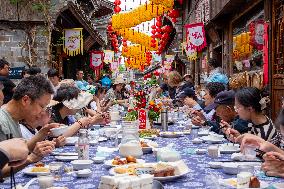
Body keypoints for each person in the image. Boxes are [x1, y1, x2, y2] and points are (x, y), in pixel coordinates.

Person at [0, 75, 55, 141]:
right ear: (25, 100)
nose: (43, 112)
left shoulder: (15, 119)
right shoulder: (2, 123)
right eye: (42, 106)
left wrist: (42, 133)